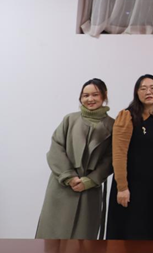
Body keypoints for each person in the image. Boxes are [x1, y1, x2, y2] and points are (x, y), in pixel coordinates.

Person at [36, 78, 115, 239]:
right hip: (62, 187)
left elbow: (111, 158)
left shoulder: (113, 125)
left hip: (89, 190)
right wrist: (69, 177)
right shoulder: (70, 120)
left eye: (95, 94)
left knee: (83, 240)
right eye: (85, 95)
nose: (90, 99)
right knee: (52, 238)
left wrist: (90, 180)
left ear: (104, 95)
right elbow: (56, 148)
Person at [106, 74, 153, 240]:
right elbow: (119, 154)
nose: (148, 92)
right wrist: (122, 187)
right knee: (130, 233)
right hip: (131, 187)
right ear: (136, 93)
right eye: (143, 88)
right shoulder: (127, 116)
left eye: (152, 88)